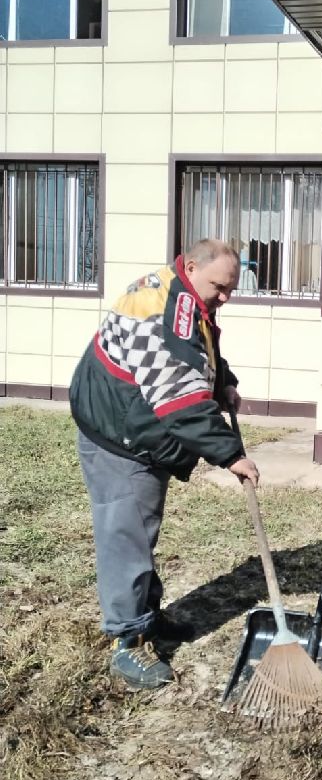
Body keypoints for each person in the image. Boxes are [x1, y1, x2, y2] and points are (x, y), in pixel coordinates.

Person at [70, 239, 259, 690]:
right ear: (191, 266)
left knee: (140, 529)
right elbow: (178, 400)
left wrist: (222, 383)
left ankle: (147, 618)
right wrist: (231, 454)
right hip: (120, 438)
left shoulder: (184, 294)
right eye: (220, 286)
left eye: (232, 288)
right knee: (126, 536)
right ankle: (128, 642)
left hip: (135, 430)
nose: (226, 296)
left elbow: (197, 350)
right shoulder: (164, 310)